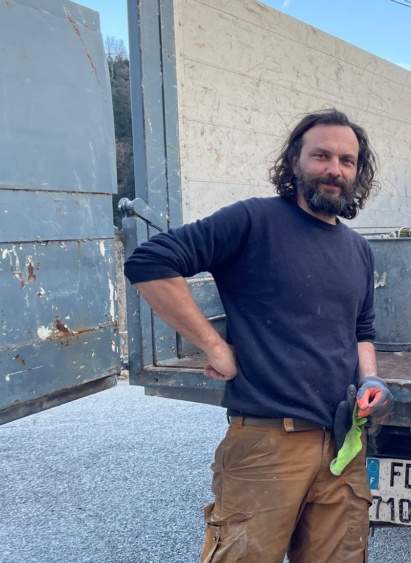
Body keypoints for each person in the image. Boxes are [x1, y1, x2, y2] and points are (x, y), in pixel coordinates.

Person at [124, 108, 394, 562]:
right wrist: (214, 346)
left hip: (344, 446)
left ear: (357, 173)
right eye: (321, 156)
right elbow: (149, 263)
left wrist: (372, 380)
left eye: (347, 161)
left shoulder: (358, 249)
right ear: (294, 161)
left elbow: (361, 330)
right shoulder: (254, 221)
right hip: (268, 446)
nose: (334, 169)